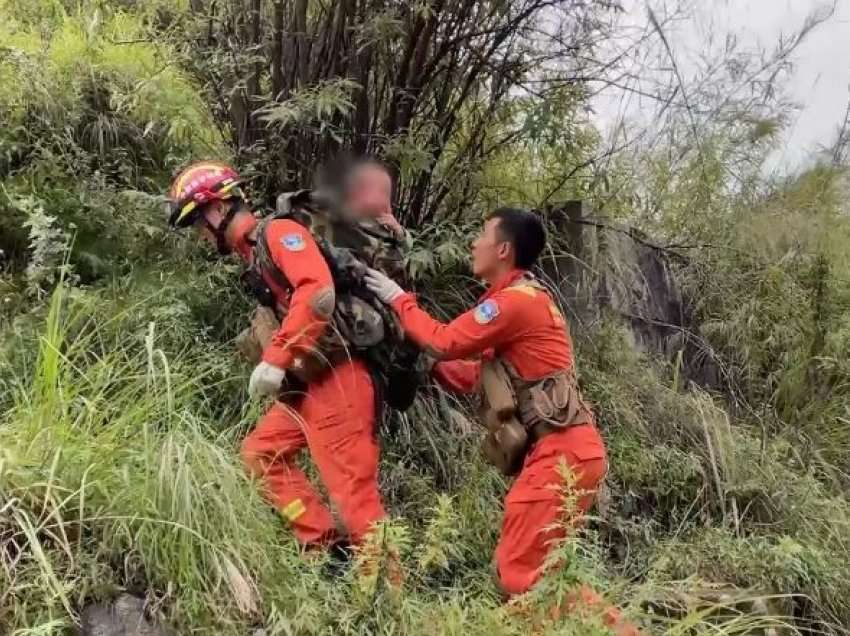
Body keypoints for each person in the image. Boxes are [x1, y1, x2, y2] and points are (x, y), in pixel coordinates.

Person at [364, 208, 640, 633]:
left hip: (561, 456)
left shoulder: (515, 303)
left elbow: (445, 340)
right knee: (547, 574)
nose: (474, 242)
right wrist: (424, 368)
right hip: (570, 454)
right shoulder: (520, 303)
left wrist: (396, 298)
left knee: (519, 573)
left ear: (504, 249)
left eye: (481, 234)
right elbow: (474, 376)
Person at [166, 160, 405, 560]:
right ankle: (324, 548)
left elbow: (318, 292)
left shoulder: (279, 232)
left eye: (196, 223)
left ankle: (386, 599)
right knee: (262, 454)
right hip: (309, 382)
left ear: (218, 209)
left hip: (339, 378)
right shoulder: (253, 256)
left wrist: (276, 358)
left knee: (353, 497)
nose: (199, 236)